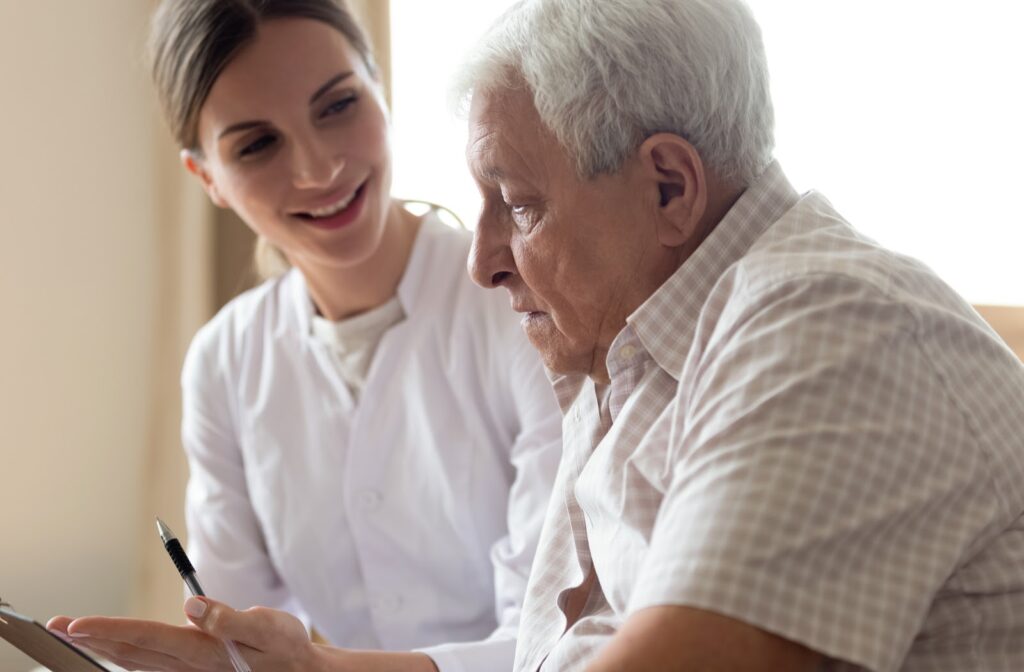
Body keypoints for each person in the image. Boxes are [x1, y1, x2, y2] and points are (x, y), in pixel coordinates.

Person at [49, 0, 1024, 670]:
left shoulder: (824, 335)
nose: (481, 260)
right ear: (206, 176)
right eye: (256, 142)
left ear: (668, 187)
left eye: (515, 205)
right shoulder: (635, 361)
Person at [47, 1, 562, 671]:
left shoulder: (526, 305)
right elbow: (239, 645)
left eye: (338, 106)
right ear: (208, 178)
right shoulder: (224, 365)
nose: (319, 169)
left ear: (381, 88)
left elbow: (559, 639)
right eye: (258, 144)